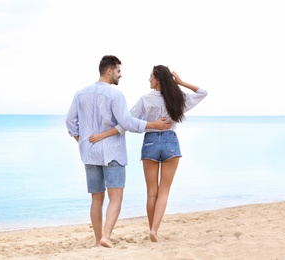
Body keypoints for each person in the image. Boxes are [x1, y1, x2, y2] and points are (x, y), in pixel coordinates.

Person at [89, 65, 208, 242]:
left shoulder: (145, 100)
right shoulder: (177, 98)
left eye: (151, 77)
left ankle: (152, 230)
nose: (149, 79)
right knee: (164, 192)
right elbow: (202, 92)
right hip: (170, 142)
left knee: (152, 192)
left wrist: (102, 135)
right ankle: (154, 230)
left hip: (150, 142)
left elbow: (125, 124)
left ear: (158, 80)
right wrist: (181, 82)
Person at [65, 56, 172, 248]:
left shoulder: (80, 94)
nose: (120, 75)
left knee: (96, 198)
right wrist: (153, 124)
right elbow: (127, 122)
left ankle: (98, 241)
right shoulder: (115, 95)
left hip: (90, 153)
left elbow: (70, 122)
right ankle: (106, 235)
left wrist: (81, 142)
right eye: (118, 71)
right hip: (112, 152)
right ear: (109, 71)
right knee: (116, 197)